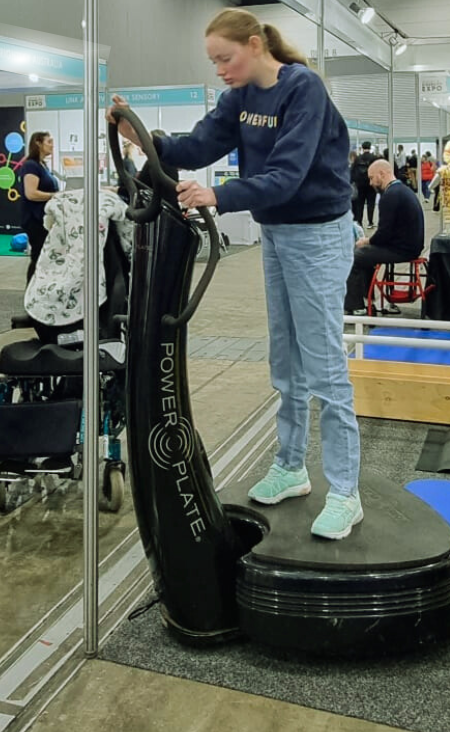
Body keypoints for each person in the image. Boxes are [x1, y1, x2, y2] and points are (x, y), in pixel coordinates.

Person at [109, 7, 363, 540]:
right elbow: (198, 145)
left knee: (324, 366)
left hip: (317, 235)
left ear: (253, 44)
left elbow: (287, 176)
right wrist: (141, 136)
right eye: (214, 62)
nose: (220, 70)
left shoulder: (303, 90)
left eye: (225, 58)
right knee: (285, 358)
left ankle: (345, 491)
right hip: (278, 234)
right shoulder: (240, 98)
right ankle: (291, 467)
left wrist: (218, 195)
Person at [344, 159, 425, 315]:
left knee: (354, 256)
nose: (371, 183)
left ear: (382, 174)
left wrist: (366, 241)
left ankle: (356, 306)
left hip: (401, 249)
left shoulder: (390, 196)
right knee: (366, 254)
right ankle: (369, 299)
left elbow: (383, 234)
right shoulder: (403, 191)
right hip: (411, 246)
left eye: (372, 177)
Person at [20, 130, 60, 283]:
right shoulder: (31, 166)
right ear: (38, 143)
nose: (52, 145)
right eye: (49, 142)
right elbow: (31, 193)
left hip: (44, 218)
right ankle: (31, 291)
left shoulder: (42, 166)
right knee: (38, 255)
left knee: (44, 255)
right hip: (34, 219)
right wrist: (55, 195)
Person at [352, 140, 379, 227]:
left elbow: (353, 171)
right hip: (371, 184)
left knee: (360, 204)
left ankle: (359, 222)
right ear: (370, 147)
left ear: (362, 148)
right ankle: (370, 222)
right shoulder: (374, 158)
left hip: (360, 185)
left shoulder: (358, 158)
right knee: (371, 203)